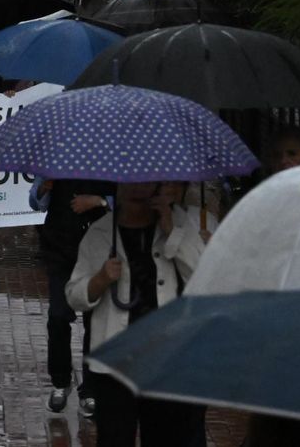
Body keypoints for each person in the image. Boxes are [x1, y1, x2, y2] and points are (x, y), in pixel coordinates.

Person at [67, 181, 206, 447]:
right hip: (114, 363)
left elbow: (204, 277)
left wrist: (172, 232)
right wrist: (100, 279)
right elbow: (74, 295)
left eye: (145, 179)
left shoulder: (177, 223)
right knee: (115, 438)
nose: (136, 187)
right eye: (129, 181)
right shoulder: (100, 232)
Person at [28, 179, 109, 415]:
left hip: (97, 248)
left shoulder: (108, 159)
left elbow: (123, 198)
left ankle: (91, 388)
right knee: (58, 316)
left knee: (95, 320)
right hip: (59, 248)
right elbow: (35, 201)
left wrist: (98, 201)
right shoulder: (57, 157)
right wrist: (43, 189)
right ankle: (61, 381)